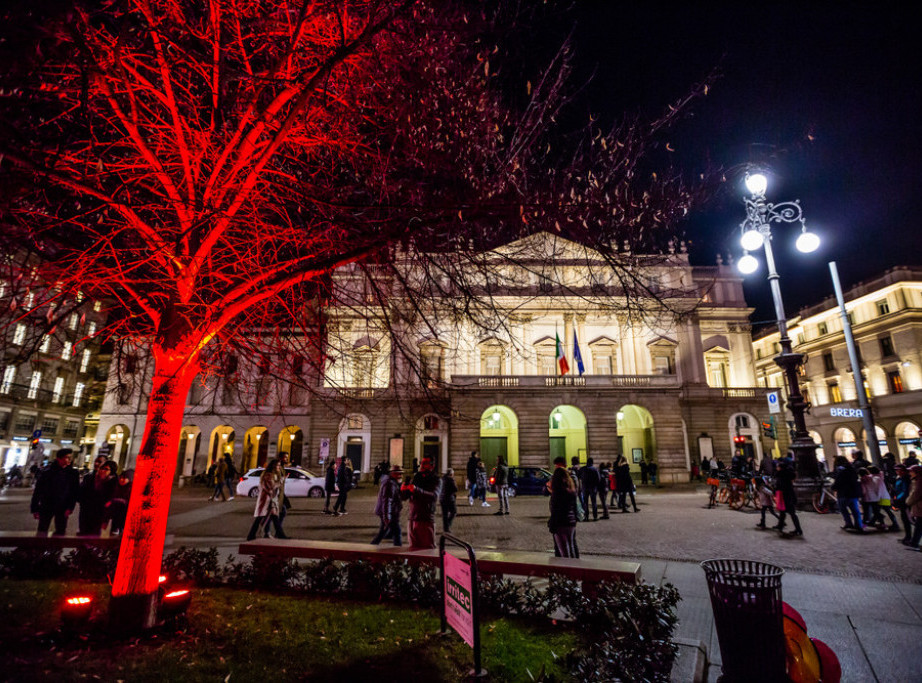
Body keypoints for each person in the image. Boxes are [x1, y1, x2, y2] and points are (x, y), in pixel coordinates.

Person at [30, 448, 80, 536]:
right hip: (47, 505)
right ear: (59, 458)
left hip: (63, 506)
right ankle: (39, 548)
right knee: (42, 529)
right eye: (67, 457)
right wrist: (35, 508)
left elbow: (74, 491)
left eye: (70, 457)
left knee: (60, 530)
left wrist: (70, 507)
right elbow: (38, 491)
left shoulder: (73, 473)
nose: (70, 460)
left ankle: (56, 549)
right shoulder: (47, 472)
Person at [401, 456, 442, 550]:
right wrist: (403, 490)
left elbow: (434, 496)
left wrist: (416, 490)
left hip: (426, 519)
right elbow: (405, 497)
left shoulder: (436, 479)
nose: (422, 465)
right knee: (413, 548)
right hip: (412, 518)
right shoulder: (417, 477)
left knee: (428, 549)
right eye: (422, 463)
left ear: (432, 466)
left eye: (425, 463)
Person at [246, 459, 287, 540]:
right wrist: (281, 480)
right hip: (266, 500)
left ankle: (252, 535)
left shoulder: (273, 475)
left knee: (271, 517)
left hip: (270, 499)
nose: (279, 467)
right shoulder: (268, 475)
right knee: (261, 518)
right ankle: (280, 536)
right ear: (273, 466)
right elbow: (272, 486)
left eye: (279, 465)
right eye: (278, 465)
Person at [548, 456, 579, 557]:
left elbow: (556, 509)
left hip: (560, 523)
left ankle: (567, 570)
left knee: (563, 552)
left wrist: (552, 523)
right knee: (571, 547)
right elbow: (574, 506)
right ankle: (575, 568)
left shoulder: (558, 492)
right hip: (571, 521)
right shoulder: (571, 489)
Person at [77, 454, 115, 535]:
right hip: (85, 511)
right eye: (95, 461)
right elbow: (81, 491)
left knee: (94, 535)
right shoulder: (88, 477)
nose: (96, 464)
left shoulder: (110, 480)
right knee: (83, 532)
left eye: (99, 462)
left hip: (98, 513)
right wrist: (83, 502)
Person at [371, 464, 403, 546]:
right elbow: (387, 501)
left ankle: (372, 546)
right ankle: (398, 552)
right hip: (389, 513)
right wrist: (387, 517)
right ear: (392, 473)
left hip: (390, 512)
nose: (400, 475)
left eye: (401, 473)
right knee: (397, 533)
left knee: (382, 533)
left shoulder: (392, 482)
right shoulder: (390, 484)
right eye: (398, 473)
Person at [832, 455, 864, 531]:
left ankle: (849, 523)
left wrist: (833, 487)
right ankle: (859, 525)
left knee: (843, 509)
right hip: (853, 493)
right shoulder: (852, 469)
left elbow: (838, 481)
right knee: (855, 510)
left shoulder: (840, 470)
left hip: (843, 493)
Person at [774, 456, 803, 537]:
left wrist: (775, 491)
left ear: (780, 467)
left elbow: (779, 486)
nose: (776, 468)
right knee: (790, 513)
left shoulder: (780, 475)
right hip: (790, 495)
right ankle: (797, 529)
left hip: (784, 496)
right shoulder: (789, 474)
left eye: (777, 466)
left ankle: (796, 529)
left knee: (785, 512)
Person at [268, 453, 291, 537]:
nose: (287, 459)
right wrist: (283, 478)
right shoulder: (277, 468)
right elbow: (275, 482)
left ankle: (276, 533)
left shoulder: (282, 467)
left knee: (278, 513)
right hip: (275, 495)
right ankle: (276, 533)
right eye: (285, 457)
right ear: (280, 458)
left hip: (280, 494)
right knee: (273, 515)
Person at [106, 467, 132, 535]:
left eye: (124, 478)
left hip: (125, 519)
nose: (121, 480)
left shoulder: (131, 490)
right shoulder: (117, 488)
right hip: (115, 518)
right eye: (121, 478)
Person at [893, 464, 913, 545]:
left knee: (907, 519)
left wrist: (897, 499)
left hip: (905, 501)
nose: (897, 471)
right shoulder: (900, 478)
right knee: (905, 519)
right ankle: (908, 536)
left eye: (898, 470)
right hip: (902, 500)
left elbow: (905, 491)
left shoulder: (905, 478)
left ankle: (909, 537)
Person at [904, 464, 922, 551]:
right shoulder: (916, 480)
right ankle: (914, 542)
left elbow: (916, 494)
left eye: (911, 471)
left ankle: (914, 543)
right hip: (918, 506)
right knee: (919, 524)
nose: (910, 473)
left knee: (919, 525)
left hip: (920, 506)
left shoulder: (919, 481)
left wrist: (908, 502)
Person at [440, 468, 458, 532]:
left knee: (445, 514)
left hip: (442, 498)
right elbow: (455, 489)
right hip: (449, 498)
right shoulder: (451, 479)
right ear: (451, 474)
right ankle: (448, 524)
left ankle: (446, 528)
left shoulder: (441, 479)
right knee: (454, 512)